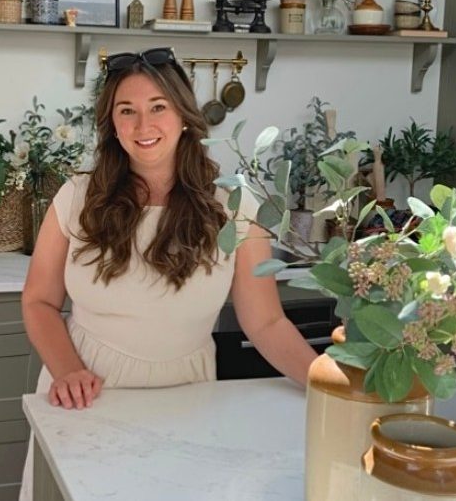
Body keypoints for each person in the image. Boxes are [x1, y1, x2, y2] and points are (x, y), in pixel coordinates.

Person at [19, 47, 317, 499]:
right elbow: (39, 301)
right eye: (127, 111)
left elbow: (267, 322)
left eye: (158, 107)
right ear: (112, 124)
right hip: (86, 394)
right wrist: (67, 372)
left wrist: (327, 383)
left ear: (182, 115)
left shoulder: (234, 206)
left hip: (190, 398)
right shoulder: (76, 197)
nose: (144, 126)